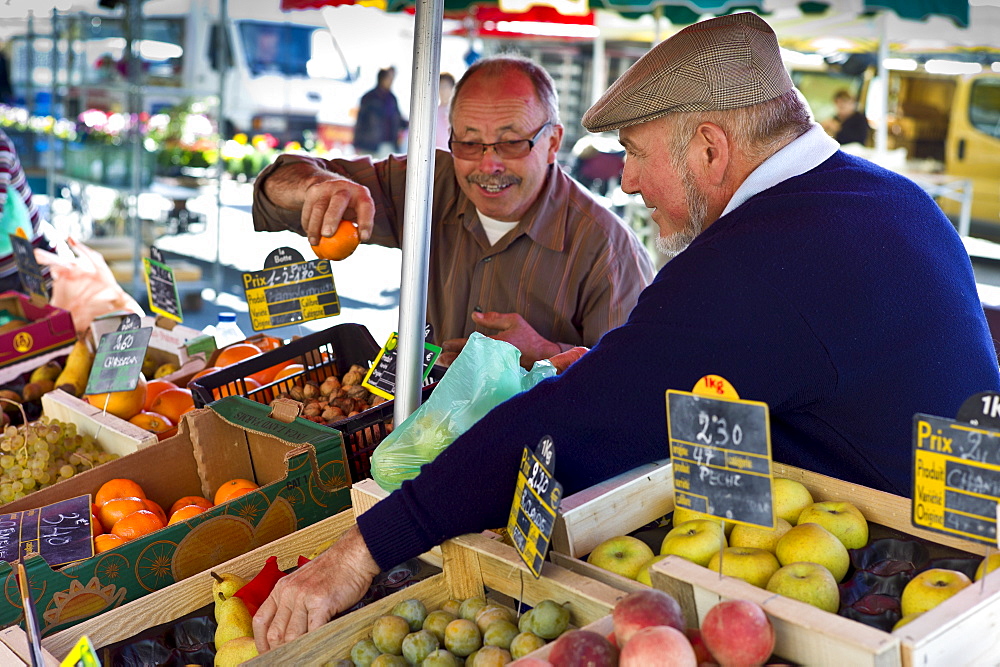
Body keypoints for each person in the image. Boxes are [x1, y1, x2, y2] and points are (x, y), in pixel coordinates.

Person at [252, 13, 1000, 651]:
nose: (630, 181)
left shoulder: (754, 262)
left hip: (892, 610)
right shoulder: (894, 201)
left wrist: (365, 548)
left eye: (639, 155)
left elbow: (570, 424)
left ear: (710, 147)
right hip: (946, 573)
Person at [253, 56, 655, 369]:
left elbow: (630, 385)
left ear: (553, 143)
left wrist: (544, 355)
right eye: (469, 142)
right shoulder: (428, 183)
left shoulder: (608, 252)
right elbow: (274, 188)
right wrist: (316, 188)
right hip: (415, 434)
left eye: (512, 142)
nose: (488, 165)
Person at [352, 67, 407, 158]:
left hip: (388, 145)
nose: (391, 81)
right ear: (382, 78)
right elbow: (360, 121)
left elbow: (397, 119)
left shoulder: (392, 98)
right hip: (369, 145)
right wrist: (357, 144)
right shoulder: (369, 97)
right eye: (389, 78)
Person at [435, 72, 455, 150]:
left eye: (445, 86)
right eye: (440, 87)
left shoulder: (458, 111)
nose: (442, 90)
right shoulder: (432, 114)